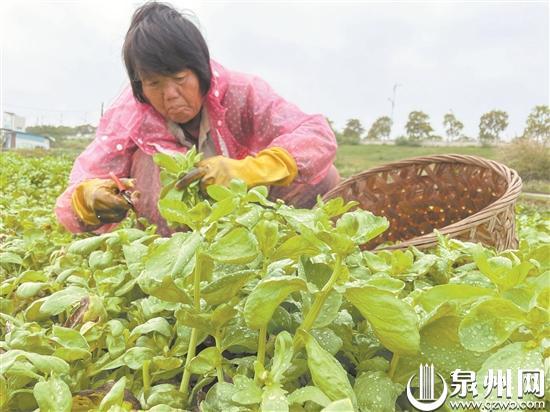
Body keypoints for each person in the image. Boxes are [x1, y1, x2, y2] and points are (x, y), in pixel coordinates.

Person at [55, 1, 339, 236]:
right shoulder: (129, 116)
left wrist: (249, 171)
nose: (170, 95)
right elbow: (78, 191)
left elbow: (315, 134)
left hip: (245, 222)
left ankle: (283, 243)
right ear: (139, 85)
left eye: (179, 79)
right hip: (170, 235)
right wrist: (88, 196)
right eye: (154, 84)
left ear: (200, 69)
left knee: (322, 177)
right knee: (142, 160)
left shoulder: (241, 92)